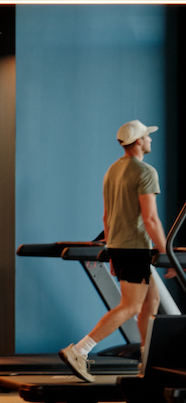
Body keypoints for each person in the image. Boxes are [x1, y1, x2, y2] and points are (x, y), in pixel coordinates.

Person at [60, 119, 176, 381]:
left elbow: (106, 217)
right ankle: (79, 350)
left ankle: (147, 359)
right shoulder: (145, 172)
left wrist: (111, 252)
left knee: (151, 300)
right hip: (135, 248)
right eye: (147, 136)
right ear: (139, 141)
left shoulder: (112, 170)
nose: (150, 139)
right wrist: (166, 254)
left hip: (121, 247)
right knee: (131, 306)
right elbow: (151, 219)